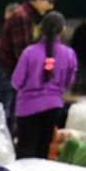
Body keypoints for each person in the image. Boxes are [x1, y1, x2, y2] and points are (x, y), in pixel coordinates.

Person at [0, 0, 60, 127]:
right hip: (5, 72)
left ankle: (5, 146)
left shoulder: (28, 16)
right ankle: (0, 148)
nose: (51, 7)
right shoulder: (22, 16)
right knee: (2, 117)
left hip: (9, 72)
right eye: (50, 2)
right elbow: (22, 53)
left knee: (9, 117)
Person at [12, 11, 76, 159]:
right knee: (43, 149)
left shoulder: (29, 52)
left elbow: (16, 81)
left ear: (41, 29)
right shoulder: (69, 54)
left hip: (27, 108)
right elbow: (68, 82)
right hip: (54, 107)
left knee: (25, 150)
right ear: (63, 29)